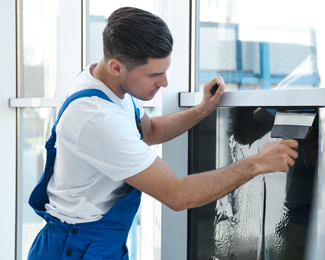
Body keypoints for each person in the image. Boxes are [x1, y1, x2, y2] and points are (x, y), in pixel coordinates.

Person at [27, 6, 299, 259]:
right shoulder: (96, 118)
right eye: (154, 75)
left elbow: (149, 129)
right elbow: (177, 195)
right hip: (74, 247)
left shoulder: (106, 83)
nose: (165, 82)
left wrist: (202, 109)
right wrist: (258, 162)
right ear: (117, 67)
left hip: (95, 241)